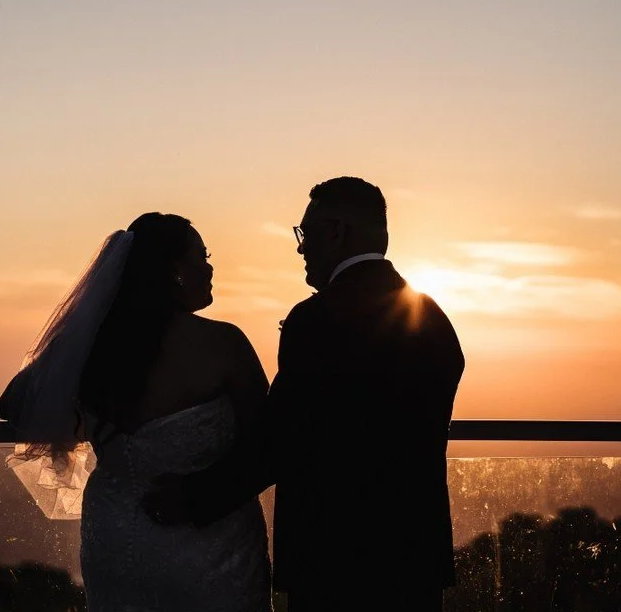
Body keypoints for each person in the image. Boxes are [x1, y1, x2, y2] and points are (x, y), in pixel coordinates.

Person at [145, 177, 465, 611]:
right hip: (413, 559)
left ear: (335, 232)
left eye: (305, 233)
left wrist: (193, 498)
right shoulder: (434, 319)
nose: (300, 248)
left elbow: (280, 440)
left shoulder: (316, 320)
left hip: (335, 559)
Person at [1, 213, 272, 612]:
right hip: (211, 543)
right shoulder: (223, 344)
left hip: (115, 535)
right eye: (203, 255)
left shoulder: (95, 349)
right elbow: (268, 442)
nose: (210, 266)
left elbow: (12, 405)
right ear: (176, 272)